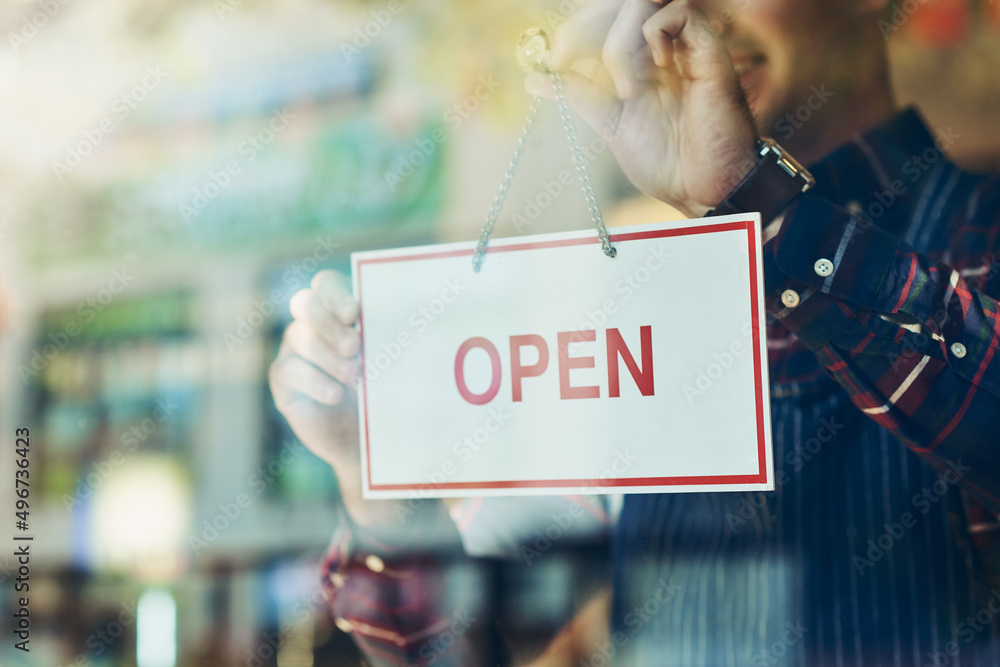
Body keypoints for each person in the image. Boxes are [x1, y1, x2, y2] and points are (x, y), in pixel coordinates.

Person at [269, 0, 1000, 663]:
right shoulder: (638, 314)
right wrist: (376, 472)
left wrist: (760, 201)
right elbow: (459, 647)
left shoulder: (984, 232)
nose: (687, 14)